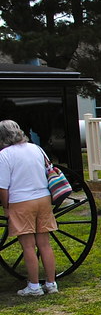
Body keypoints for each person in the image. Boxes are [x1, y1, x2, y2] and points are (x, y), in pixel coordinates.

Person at [0, 120, 58, 296]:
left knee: (28, 246)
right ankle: (51, 283)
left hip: (21, 201)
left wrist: (6, 208)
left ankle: (33, 286)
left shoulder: (5, 155)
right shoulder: (36, 148)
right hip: (43, 198)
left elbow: (3, 187)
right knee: (45, 244)